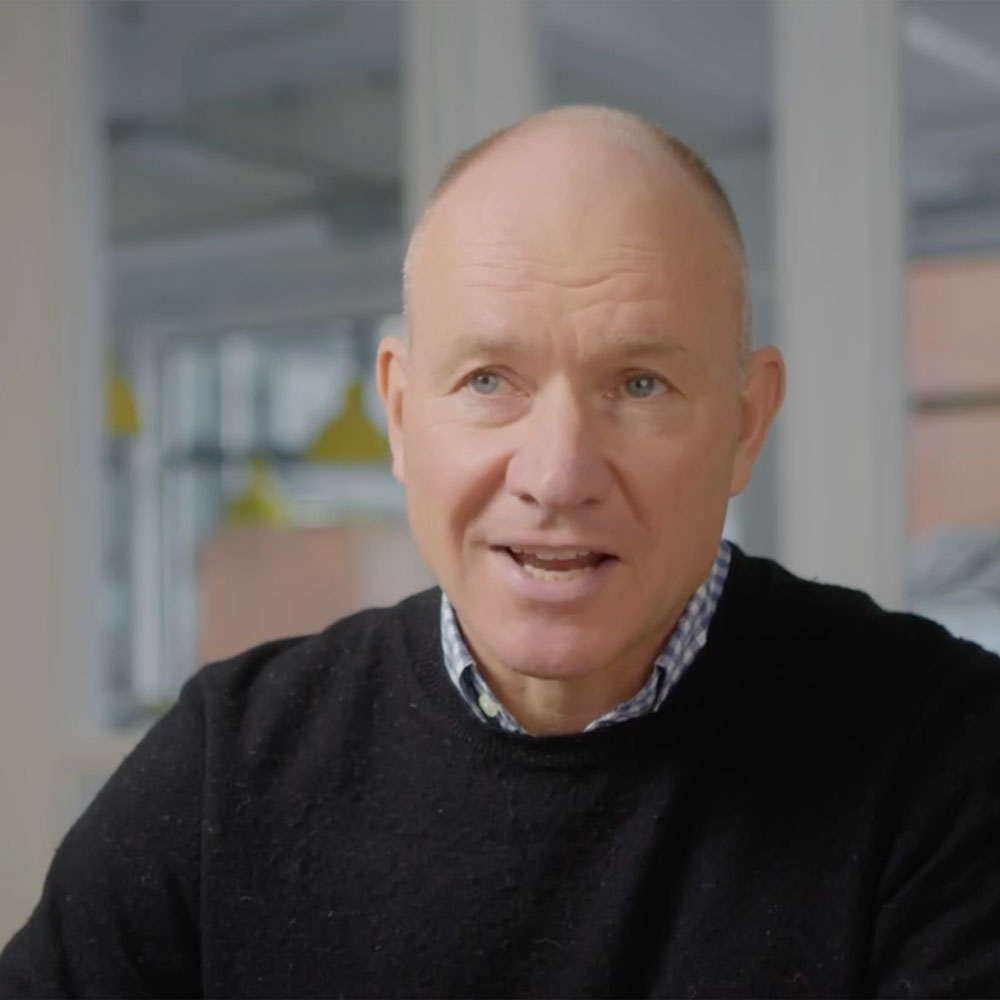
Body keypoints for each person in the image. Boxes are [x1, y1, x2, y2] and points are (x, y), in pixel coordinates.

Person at [2, 105, 999, 998]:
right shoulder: (233, 760)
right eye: (488, 379)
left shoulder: (945, 755)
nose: (558, 473)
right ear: (398, 412)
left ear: (746, 421)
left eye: (639, 384)